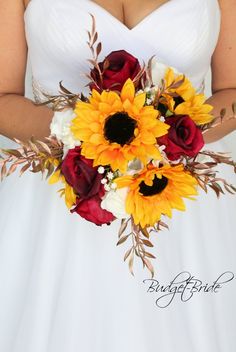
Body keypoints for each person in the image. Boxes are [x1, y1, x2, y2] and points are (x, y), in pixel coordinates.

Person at [0, 0, 235, 351]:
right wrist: (79, 132)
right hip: (55, 205)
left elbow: (232, 92)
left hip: (177, 203)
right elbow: (3, 97)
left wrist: (162, 134)